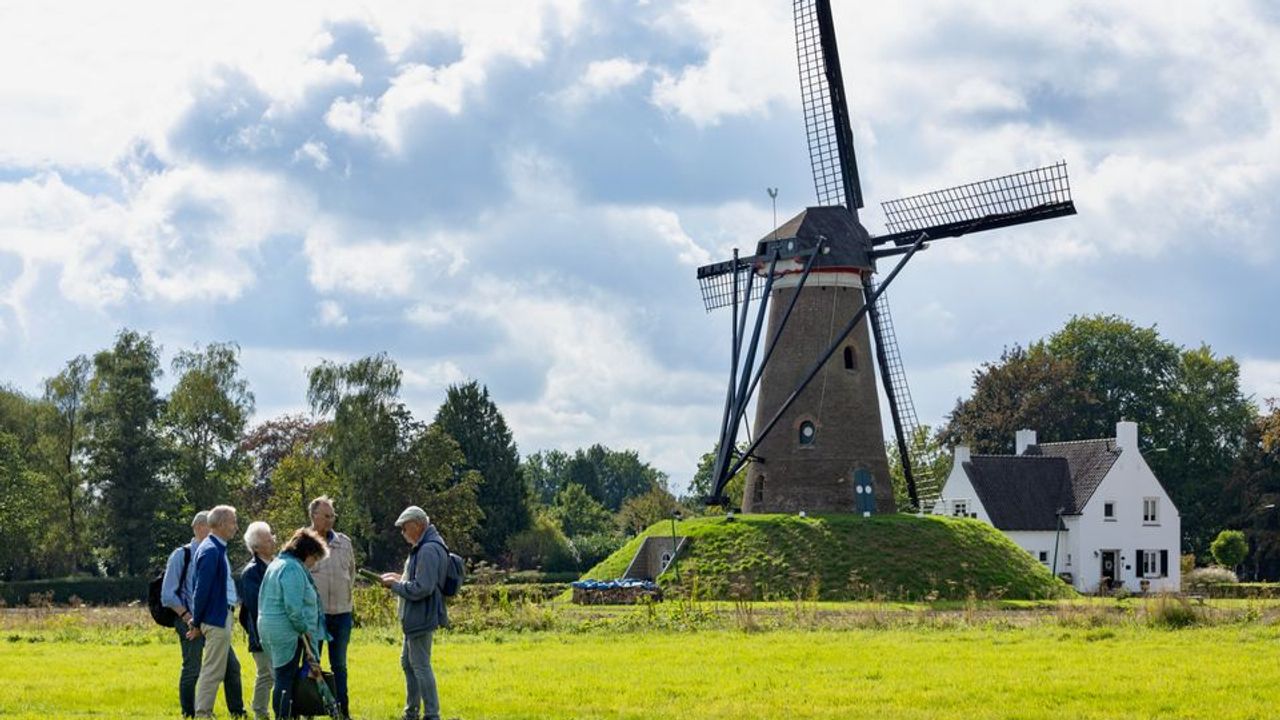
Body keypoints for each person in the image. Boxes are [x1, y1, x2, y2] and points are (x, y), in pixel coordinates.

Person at [161, 511, 244, 718]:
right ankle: (191, 713)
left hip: (209, 618)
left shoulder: (217, 550)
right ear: (199, 528)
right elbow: (168, 594)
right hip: (189, 618)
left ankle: (237, 711)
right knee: (193, 668)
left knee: (230, 666)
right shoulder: (183, 554)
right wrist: (190, 619)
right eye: (210, 525)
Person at [380, 506, 449, 720]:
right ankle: (412, 711)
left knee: (420, 666)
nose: (403, 533)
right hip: (416, 616)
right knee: (408, 663)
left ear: (418, 525)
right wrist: (399, 578)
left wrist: (395, 586)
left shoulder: (427, 549)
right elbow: (418, 579)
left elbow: (423, 587)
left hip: (421, 615)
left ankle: (431, 714)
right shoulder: (425, 546)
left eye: (405, 527)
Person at [258, 528, 330, 720]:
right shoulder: (292, 568)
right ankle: (284, 716)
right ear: (307, 553)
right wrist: (304, 629)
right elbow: (293, 607)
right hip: (286, 631)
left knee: (282, 676)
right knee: (285, 678)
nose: (313, 565)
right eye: (314, 558)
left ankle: (289, 715)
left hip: (271, 629)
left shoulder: (276, 564)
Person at [188, 505, 246, 719]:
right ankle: (203, 714)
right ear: (221, 524)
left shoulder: (215, 547)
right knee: (213, 670)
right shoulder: (211, 550)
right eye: (233, 522)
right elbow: (200, 590)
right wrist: (196, 622)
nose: (236, 527)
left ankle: (204, 712)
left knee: (216, 669)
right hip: (216, 617)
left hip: (218, 616)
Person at [308, 495, 356, 718]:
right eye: (326, 516)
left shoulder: (344, 542)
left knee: (340, 666)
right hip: (314, 617)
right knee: (311, 665)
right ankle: (307, 708)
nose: (330, 520)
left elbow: (351, 574)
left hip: (342, 614)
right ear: (313, 516)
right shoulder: (303, 542)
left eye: (333, 516)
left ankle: (342, 711)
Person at [239, 521, 276, 720]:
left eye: (271, 536)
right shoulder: (251, 572)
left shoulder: (277, 564)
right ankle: (261, 714)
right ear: (256, 547)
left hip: (278, 631)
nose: (272, 541)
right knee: (266, 674)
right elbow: (256, 606)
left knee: (273, 675)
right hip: (261, 633)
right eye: (266, 539)